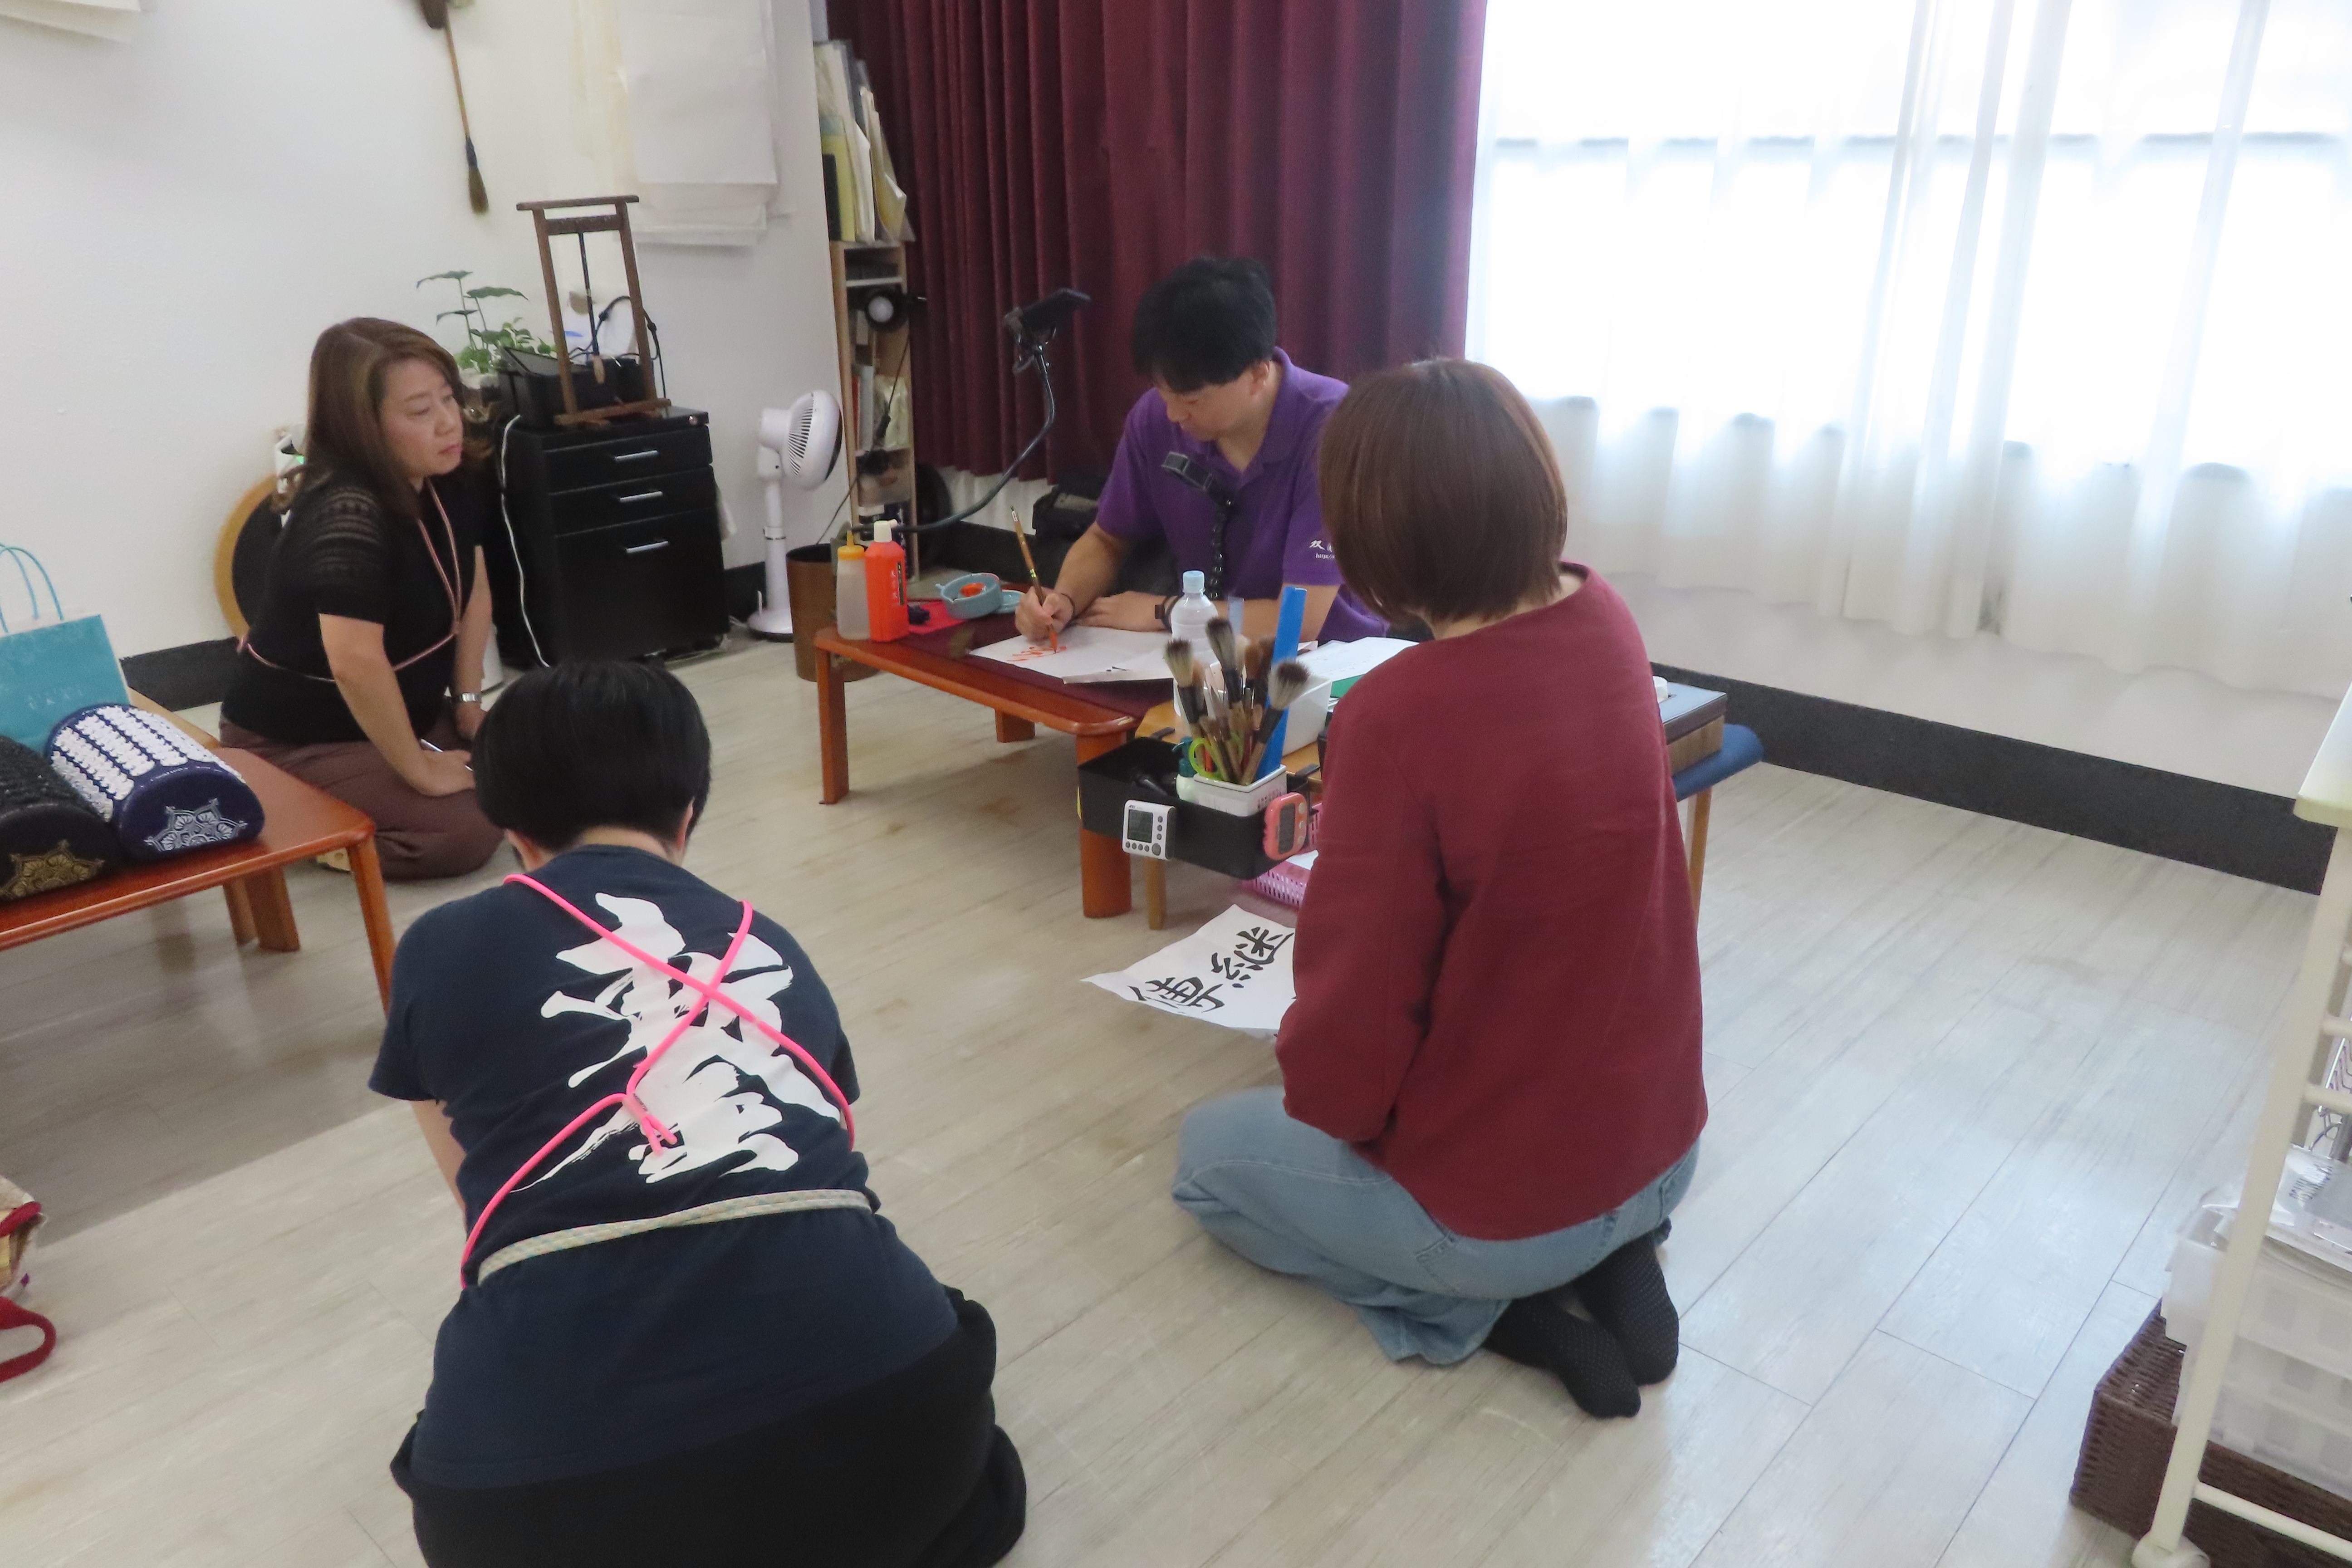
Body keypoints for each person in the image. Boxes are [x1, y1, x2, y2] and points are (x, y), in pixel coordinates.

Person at [374, 660, 1025, 1568]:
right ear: (687, 814)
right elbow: (826, 1142)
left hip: (537, 1517)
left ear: (510, 829)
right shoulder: (770, 942)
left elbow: (481, 1205)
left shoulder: (439, 944)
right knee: (929, 1338)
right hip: (900, 1441)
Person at [1170, 360, 1707, 1419]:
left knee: (1205, 1159)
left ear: (1375, 542)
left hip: (1499, 1211)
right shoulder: (1607, 618)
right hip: (1660, 1148)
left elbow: (1357, 1018)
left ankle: (1493, 1310)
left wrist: (1323, 1104)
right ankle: (1616, 1252)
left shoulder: (1399, 714)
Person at [219, 317, 503, 881]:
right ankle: (297, 826)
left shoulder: (445, 471)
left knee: (545, 758)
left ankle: (393, 778)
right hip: (301, 739)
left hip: (408, 710)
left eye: (448, 398)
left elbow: (473, 590)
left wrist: (469, 703)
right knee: (464, 831)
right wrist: (420, 773)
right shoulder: (346, 515)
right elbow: (355, 662)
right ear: (362, 426)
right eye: (420, 411)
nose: (448, 421)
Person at [1012, 256, 1384, 647]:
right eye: (1164, 393)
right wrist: (1064, 599)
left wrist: (1167, 611)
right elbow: (1107, 539)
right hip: (1209, 648)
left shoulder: (1334, 430)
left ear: (1257, 374)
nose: (1174, 415)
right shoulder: (1154, 418)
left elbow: (1299, 621)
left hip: (1333, 658)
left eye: (1192, 399)